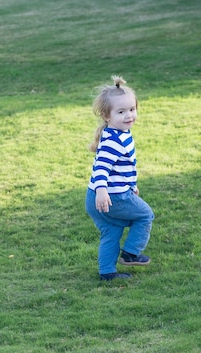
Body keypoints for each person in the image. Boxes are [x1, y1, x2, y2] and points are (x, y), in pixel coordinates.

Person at [85, 76, 155, 281]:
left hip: (96, 197)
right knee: (145, 215)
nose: (129, 116)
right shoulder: (114, 141)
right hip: (110, 197)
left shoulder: (117, 133)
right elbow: (101, 168)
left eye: (132, 109)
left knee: (112, 230)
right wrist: (102, 190)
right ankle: (131, 253)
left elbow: (123, 167)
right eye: (121, 112)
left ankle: (107, 273)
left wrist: (131, 185)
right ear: (107, 115)